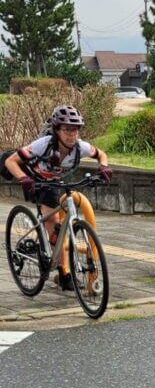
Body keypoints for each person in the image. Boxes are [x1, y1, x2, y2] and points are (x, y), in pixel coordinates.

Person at [4, 104, 112, 291]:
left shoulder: (80, 147)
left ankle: (58, 257)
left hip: (54, 180)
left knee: (59, 226)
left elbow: (100, 154)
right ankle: (64, 273)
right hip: (34, 178)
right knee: (53, 221)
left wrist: (104, 167)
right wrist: (23, 178)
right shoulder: (44, 144)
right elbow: (10, 161)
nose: (72, 134)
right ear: (56, 130)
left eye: (75, 129)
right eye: (67, 130)